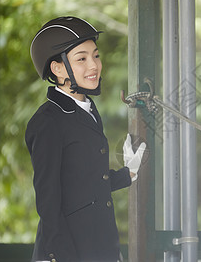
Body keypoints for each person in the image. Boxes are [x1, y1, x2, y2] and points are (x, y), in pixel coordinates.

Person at [25, 16, 146, 262]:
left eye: (96, 56)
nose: (94, 65)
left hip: (100, 249)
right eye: (82, 58)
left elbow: (85, 185)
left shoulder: (87, 110)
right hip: (65, 253)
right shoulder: (48, 121)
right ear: (57, 68)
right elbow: (49, 202)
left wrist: (128, 173)